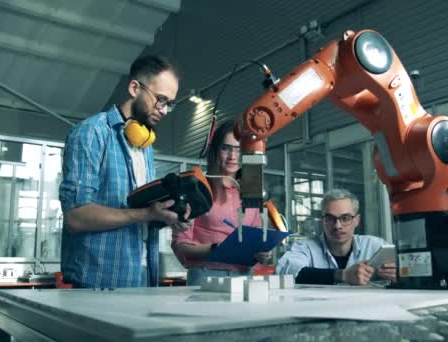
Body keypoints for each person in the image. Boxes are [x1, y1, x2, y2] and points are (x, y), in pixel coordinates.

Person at [59, 55, 192, 288]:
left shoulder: (145, 147)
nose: (164, 111)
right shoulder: (92, 133)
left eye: (170, 104)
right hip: (98, 282)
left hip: (142, 276)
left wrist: (168, 217)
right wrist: (147, 214)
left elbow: (142, 218)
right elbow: (75, 217)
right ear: (134, 88)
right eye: (161, 100)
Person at [171, 120, 273, 285]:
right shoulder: (197, 188)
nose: (233, 156)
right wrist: (215, 249)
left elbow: (255, 237)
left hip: (244, 277)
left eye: (239, 150)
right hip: (205, 276)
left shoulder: (251, 191)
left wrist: (261, 253)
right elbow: (180, 244)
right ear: (215, 151)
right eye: (226, 148)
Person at [276, 188, 396, 285]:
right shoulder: (305, 248)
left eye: (345, 218)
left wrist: (398, 275)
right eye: (330, 219)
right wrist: (342, 275)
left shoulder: (375, 246)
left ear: (357, 221)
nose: (337, 226)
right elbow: (284, 273)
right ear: (322, 221)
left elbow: (406, 270)